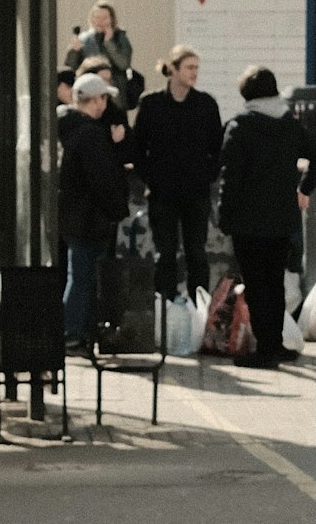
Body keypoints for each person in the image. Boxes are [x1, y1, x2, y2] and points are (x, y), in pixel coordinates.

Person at [217, 65, 316, 368]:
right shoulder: (290, 125)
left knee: (257, 286)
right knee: (274, 283)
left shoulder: (240, 126)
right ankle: (275, 344)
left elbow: (229, 177)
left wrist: (224, 216)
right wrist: (305, 188)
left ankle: (266, 351)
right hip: (283, 219)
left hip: (248, 221)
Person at [132, 45, 223, 301]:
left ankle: (199, 309)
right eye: (189, 67)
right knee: (165, 255)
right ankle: (167, 310)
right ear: (173, 70)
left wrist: (207, 175)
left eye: (197, 67)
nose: (195, 73)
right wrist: (150, 178)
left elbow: (218, 147)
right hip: (163, 192)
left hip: (196, 191)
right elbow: (138, 147)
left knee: (197, 254)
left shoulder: (205, 104)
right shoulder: (151, 104)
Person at [59, 74, 130, 350]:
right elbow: (101, 178)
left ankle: (75, 330)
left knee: (78, 275)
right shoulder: (91, 134)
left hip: (75, 215)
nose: (106, 104)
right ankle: (73, 331)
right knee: (83, 278)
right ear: (96, 100)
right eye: (104, 98)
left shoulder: (70, 129)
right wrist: (116, 209)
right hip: (90, 217)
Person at [63, 0, 134, 101]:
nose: (100, 21)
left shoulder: (120, 37)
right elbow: (71, 67)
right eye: (97, 17)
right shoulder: (84, 39)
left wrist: (109, 43)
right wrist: (74, 51)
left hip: (115, 93)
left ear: (112, 19)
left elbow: (124, 64)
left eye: (104, 18)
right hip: (89, 92)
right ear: (91, 19)